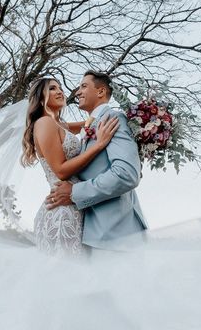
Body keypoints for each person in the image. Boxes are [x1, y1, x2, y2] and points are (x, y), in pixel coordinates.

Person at [46, 70, 147, 250]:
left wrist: (74, 192)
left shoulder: (113, 119)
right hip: (94, 233)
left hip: (117, 233)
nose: (77, 92)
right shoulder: (90, 125)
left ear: (101, 92)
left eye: (83, 86)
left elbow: (126, 174)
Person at [21, 76, 119, 255]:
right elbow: (60, 170)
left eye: (60, 88)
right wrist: (98, 145)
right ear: (40, 97)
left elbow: (93, 122)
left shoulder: (60, 124)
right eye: (52, 88)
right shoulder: (44, 123)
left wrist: (138, 118)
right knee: (66, 273)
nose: (59, 91)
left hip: (75, 202)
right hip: (61, 211)